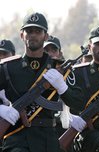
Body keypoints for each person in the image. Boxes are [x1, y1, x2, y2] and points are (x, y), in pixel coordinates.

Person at [0, 12, 83, 152]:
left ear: (46, 36)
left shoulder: (58, 68)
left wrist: (62, 87)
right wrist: (1, 109)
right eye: (29, 31)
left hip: (48, 139)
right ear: (22, 35)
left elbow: (79, 103)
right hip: (17, 137)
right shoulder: (8, 67)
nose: (33, 35)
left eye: (38, 31)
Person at [63, 25, 99, 152]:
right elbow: (72, 105)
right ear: (89, 47)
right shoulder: (77, 73)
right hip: (89, 135)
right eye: (98, 43)